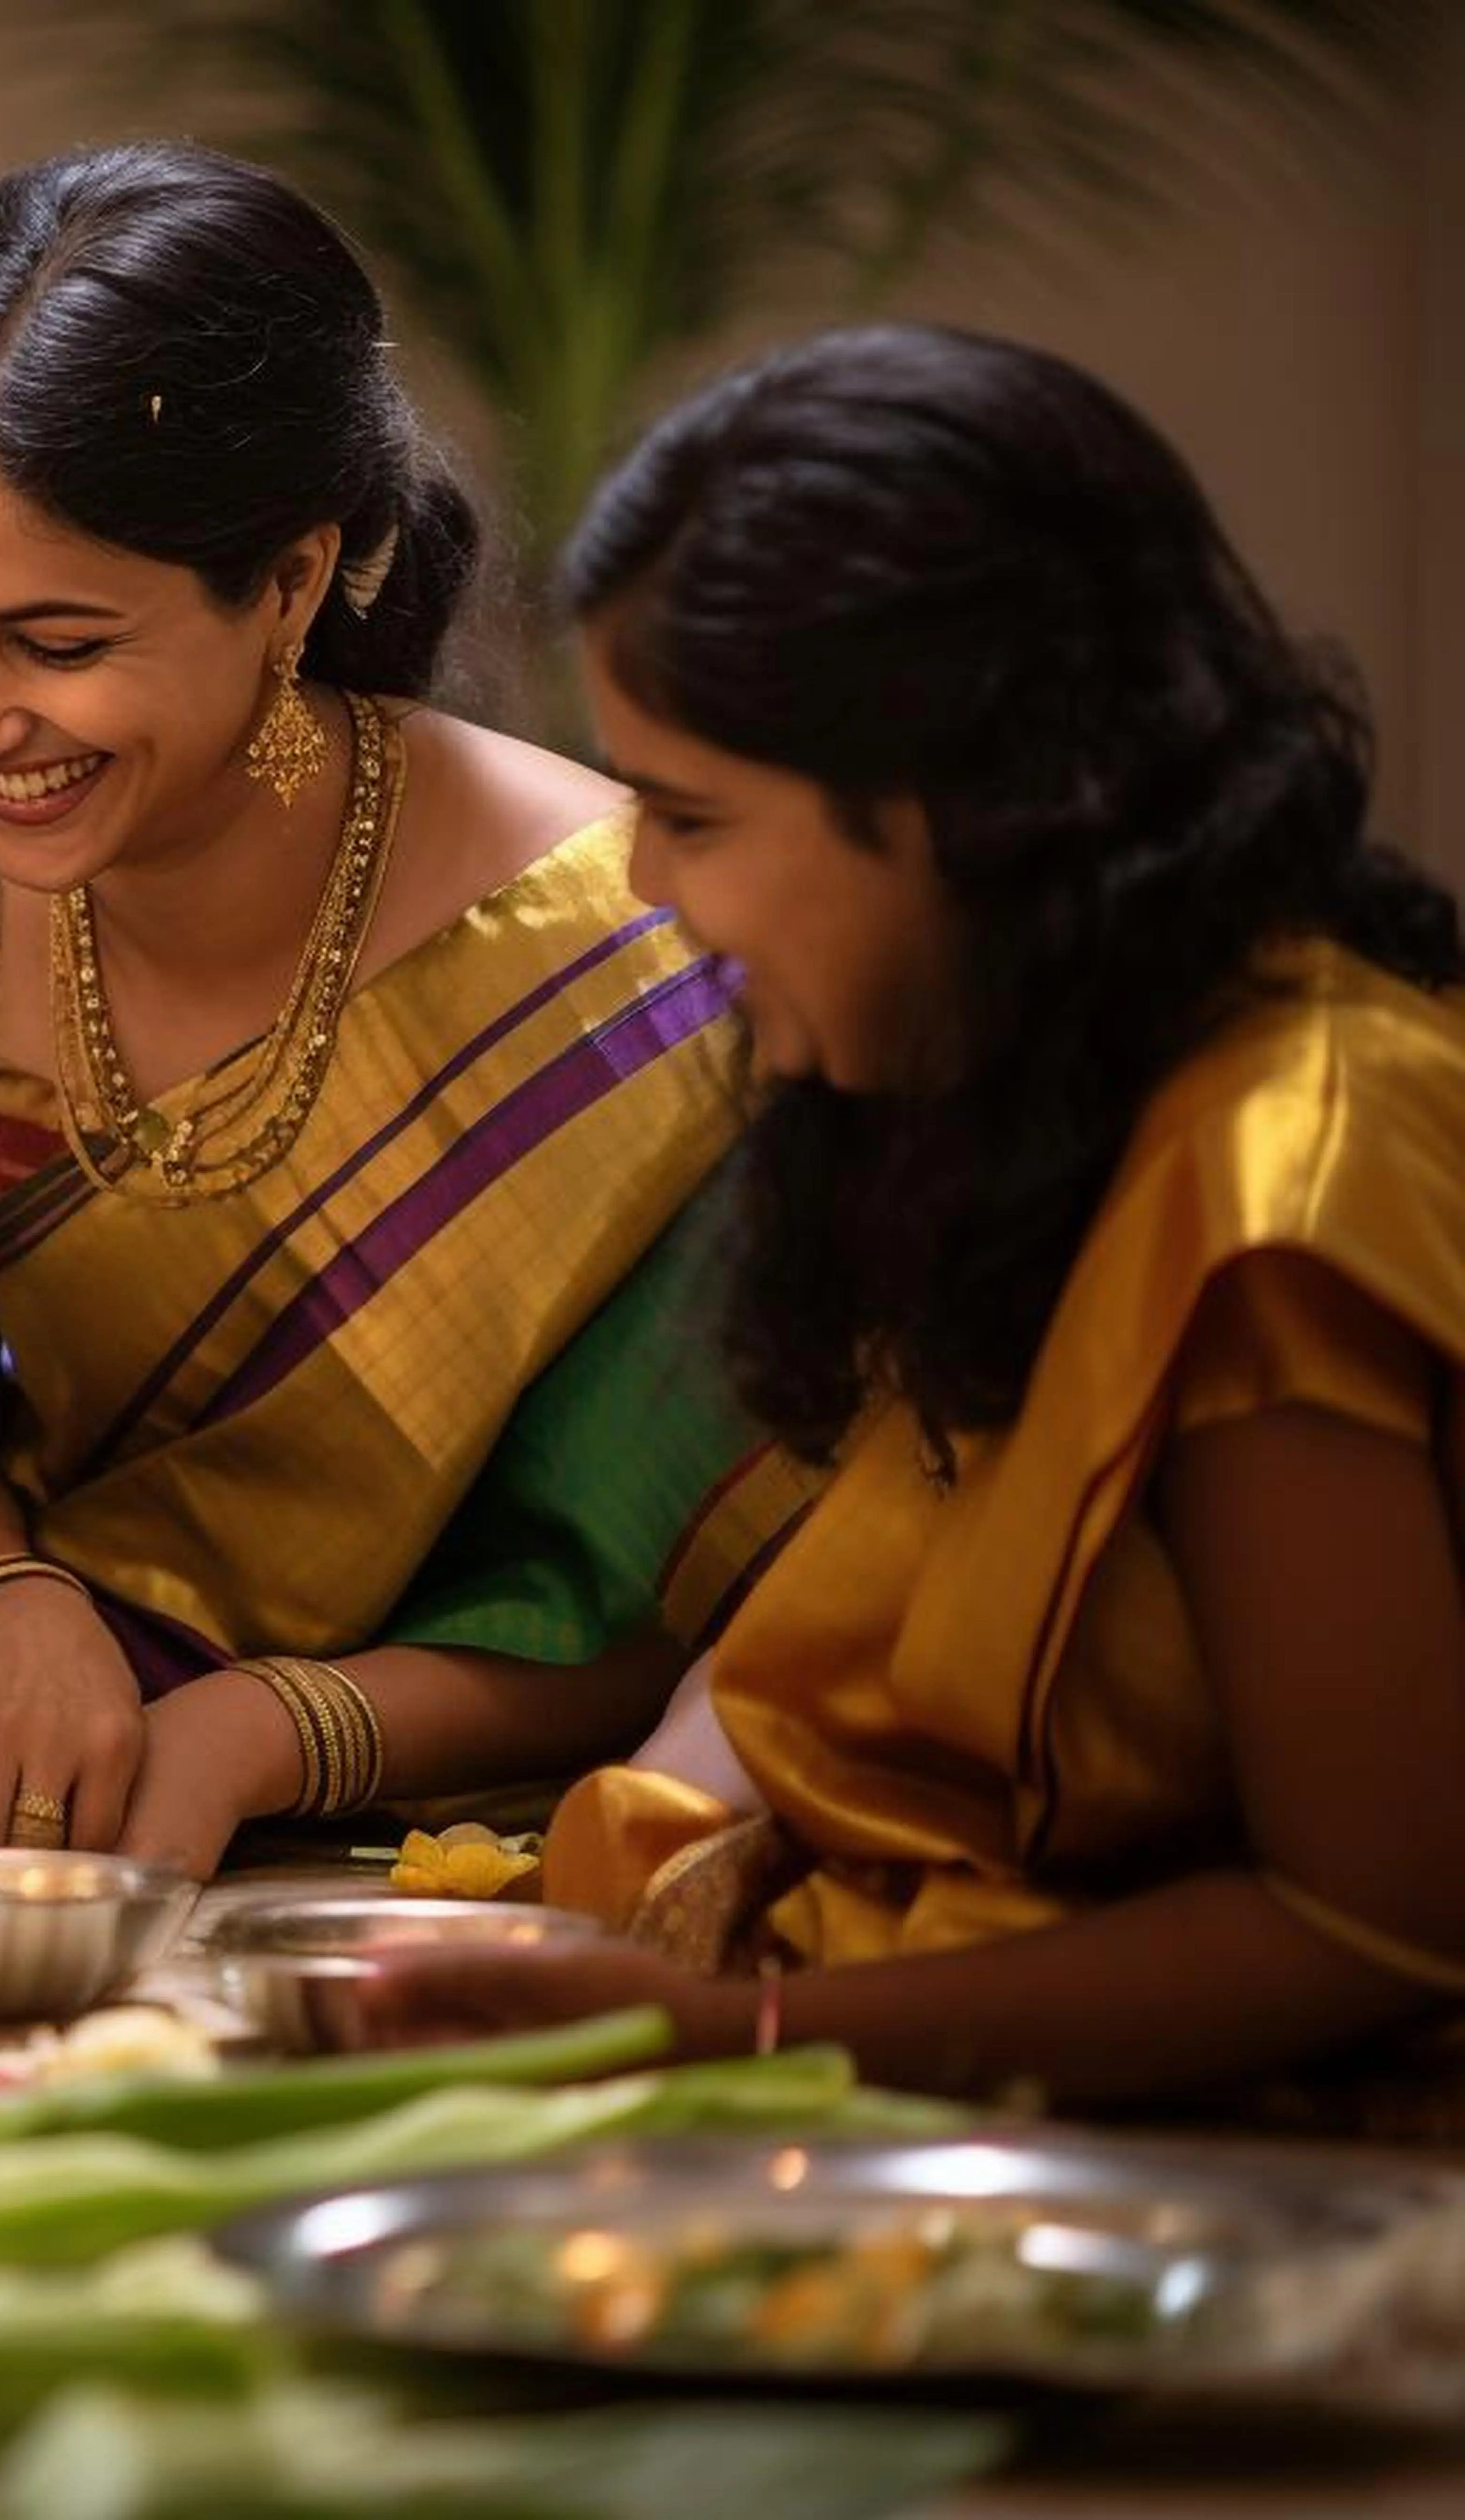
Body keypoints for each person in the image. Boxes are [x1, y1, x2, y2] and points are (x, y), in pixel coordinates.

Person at [359, 326, 1465, 2120]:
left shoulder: (1291, 1156)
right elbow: (832, 1654)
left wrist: (727, 2040)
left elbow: (1377, 1926)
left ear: (967, 802)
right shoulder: (1012, 1079)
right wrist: (636, 1932)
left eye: (692, 815)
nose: (644, 881)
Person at [0, 144, 809, 1869]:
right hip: (58, 1743)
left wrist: (274, 1728)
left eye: (59, 644)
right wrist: (12, 1597)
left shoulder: (644, 971)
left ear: (291, 581)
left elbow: (713, 1594)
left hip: (478, 1826)